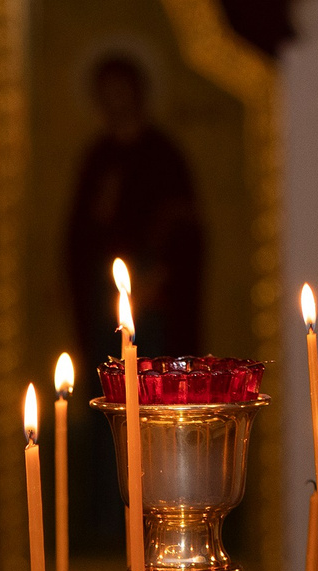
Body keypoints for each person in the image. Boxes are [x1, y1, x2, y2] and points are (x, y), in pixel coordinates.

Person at [64, 55, 204, 365]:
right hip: (104, 295)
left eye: (121, 90)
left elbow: (184, 225)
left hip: (156, 293)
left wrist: (159, 275)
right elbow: (80, 235)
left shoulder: (163, 154)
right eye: (106, 92)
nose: (114, 100)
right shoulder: (98, 158)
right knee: (110, 372)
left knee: (155, 371)